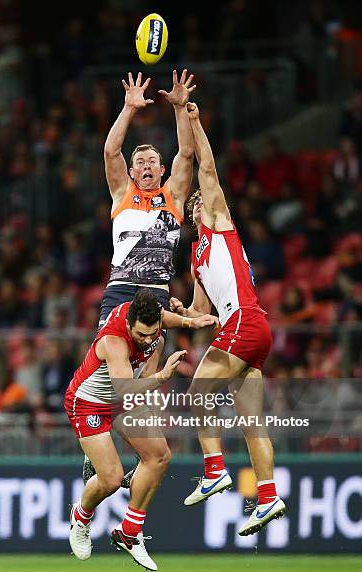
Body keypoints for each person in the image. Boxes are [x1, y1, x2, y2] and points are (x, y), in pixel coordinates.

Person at [170, 103, 286, 536]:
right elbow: (202, 312)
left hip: (246, 321)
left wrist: (194, 121)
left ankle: (215, 470)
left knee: (199, 392)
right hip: (251, 330)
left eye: (201, 200)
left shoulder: (220, 223)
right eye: (195, 203)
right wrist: (181, 313)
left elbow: (208, 170)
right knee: (251, 422)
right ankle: (269, 496)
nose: (198, 203)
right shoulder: (198, 261)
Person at [83, 68, 196, 484]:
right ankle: (100, 448)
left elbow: (188, 155)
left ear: (162, 170)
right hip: (121, 293)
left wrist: (181, 108)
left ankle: (132, 458)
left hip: (158, 295)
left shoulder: (175, 197)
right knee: (115, 375)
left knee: (145, 384)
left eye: (152, 161)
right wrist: (129, 109)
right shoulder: (122, 194)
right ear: (132, 173)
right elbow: (110, 151)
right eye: (140, 163)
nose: (146, 166)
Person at [66, 288, 217, 570]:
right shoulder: (114, 340)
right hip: (90, 403)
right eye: (141, 335)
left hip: (124, 397)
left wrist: (191, 322)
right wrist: (162, 376)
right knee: (111, 479)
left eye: (152, 334)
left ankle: (129, 532)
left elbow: (165, 320)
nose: (148, 340)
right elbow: (126, 390)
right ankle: (81, 516)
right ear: (128, 325)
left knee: (159, 456)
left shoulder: (149, 320)